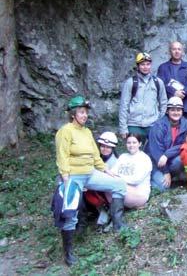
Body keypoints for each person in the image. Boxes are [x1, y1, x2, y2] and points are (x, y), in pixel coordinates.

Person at [55, 95, 127, 266]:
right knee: (70, 210)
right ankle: (68, 252)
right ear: (73, 114)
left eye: (86, 112)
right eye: (81, 112)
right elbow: (62, 156)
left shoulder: (87, 132)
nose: (84, 115)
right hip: (73, 175)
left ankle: (118, 224)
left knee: (119, 184)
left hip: (90, 173)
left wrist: (107, 171)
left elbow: (96, 156)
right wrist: (66, 178)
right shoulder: (65, 131)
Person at [146, 97, 187, 192]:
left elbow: (186, 144)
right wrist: (166, 172)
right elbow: (156, 153)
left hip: (169, 159)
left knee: (181, 158)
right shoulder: (158, 126)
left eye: (178, 110)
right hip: (155, 162)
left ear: (182, 111)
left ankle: (170, 176)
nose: (176, 112)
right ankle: (148, 180)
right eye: (172, 110)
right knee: (163, 187)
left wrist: (167, 154)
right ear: (167, 111)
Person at [119, 52, 168, 140]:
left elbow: (163, 103)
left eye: (148, 64)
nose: (145, 67)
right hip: (134, 124)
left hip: (152, 125)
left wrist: (159, 120)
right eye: (142, 64)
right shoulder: (130, 83)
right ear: (138, 66)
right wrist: (123, 128)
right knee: (133, 151)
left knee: (153, 152)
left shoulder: (158, 82)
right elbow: (124, 106)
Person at [157, 41, 187, 120]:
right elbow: (161, 84)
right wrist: (173, 92)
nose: (177, 51)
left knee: (186, 130)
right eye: (174, 49)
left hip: (186, 107)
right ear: (170, 51)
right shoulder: (163, 67)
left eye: (179, 49)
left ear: (182, 51)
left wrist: (182, 92)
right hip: (169, 107)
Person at [110, 134, 152, 208]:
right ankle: (109, 210)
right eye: (129, 143)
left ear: (140, 144)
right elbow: (113, 172)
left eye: (134, 142)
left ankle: (115, 211)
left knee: (112, 185)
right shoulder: (123, 156)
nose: (131, 145)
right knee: (104, 183)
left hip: (138, 193)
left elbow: (136, 180)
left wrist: (118, 179)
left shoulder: (144, 158)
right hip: (122, 187)